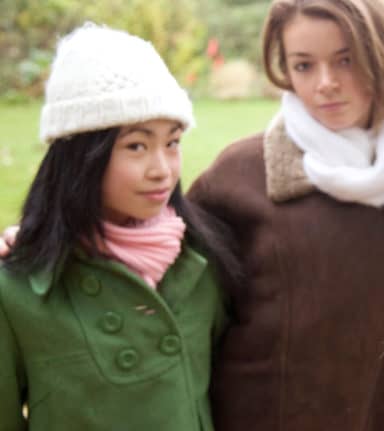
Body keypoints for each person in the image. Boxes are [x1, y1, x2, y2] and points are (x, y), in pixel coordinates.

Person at [185, 0, 384, 429]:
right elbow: (160, 274)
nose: (326, 83)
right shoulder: (237, 175)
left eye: (346, 60)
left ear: (381, 54)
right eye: (303, 66)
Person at [0, 24, 239, 430]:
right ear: (81, 157)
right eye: (136, 146)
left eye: (173, 142)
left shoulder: (202, 265)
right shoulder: (18, 293)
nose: (162, 170)